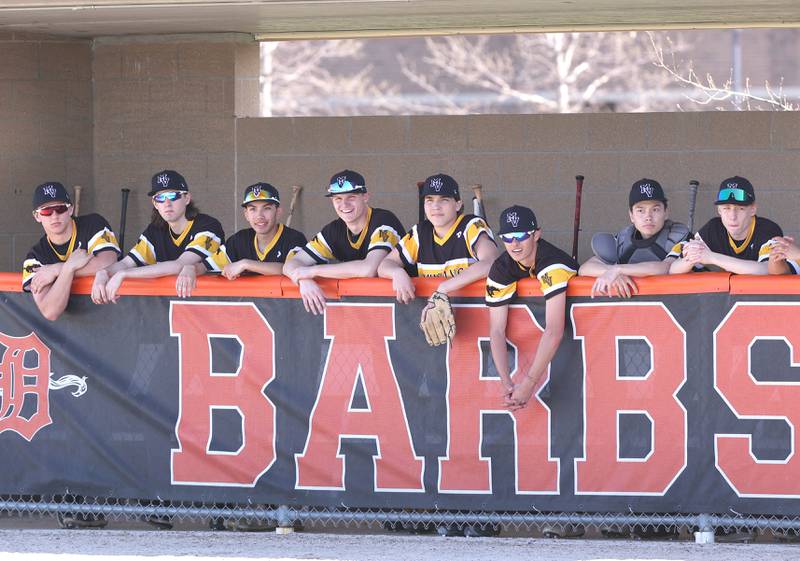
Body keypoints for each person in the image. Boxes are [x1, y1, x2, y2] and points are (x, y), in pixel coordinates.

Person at [485, 205, 577, 409]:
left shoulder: (552, 261)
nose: (514, 243)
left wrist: (527, 384)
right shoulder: (501, 266)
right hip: (546, 353)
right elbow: (497, 330)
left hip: (577, 345)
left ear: (536, 235)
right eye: (507, 237)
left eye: (520, 235)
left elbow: (554, 331)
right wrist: (506, 382)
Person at [92, 170, 227, 304]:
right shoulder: (155, 231)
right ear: (155, 204)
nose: (167, 203)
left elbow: (180, 265)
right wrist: (103, 273)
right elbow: (126, 263)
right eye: (160, 198)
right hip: (170, 306)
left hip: (211, 304)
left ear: (186, 198)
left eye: (173, 196)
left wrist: (124, 274)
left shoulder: (208, 226)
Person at [283, 169, 405, 314]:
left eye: (351, 197)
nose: (344, 205)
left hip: (401, 306)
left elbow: (369, 269)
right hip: (363, 309)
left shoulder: (383, 220)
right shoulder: (334, 230)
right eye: (338, 199)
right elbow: (290, 264)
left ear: (365, 196)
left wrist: (311, 271)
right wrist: (303, 280)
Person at [377, 172, 498, 311]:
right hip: (433, 317)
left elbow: (491, 262)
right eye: (429, 200)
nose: (436, 206)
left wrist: (444, 288)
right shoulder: (420, 233)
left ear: (458, 204)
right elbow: (384, 265)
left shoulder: (471, 226)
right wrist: (397, 273)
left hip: (476, 313)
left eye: (444, 199)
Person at [23, 181, 120, 321]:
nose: (54, 216)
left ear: (70, 209)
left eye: (60, 208)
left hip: (115, 314)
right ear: (37, 216)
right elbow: (50, 311)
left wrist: (57, 269)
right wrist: (69, 268)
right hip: (73, 332)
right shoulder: (35, 257)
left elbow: (108, 261)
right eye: (46, 211)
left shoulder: (93, 223)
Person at [579, 179, 688, 297]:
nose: (648, 217)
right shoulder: (623, 239)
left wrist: (617, 270)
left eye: (655, 209)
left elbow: (666, 268)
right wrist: (609, 272)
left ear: (666, 212)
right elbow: (585, 268)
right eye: (640, 210)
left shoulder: (678, 235)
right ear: (631, 215)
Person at [669, 176, 792, 274]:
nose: (732, 216)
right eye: (726, 208)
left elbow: (766, 270)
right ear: (719, 210)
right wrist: (690, 259)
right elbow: (673, 270)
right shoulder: (712, 229)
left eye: (740, 209)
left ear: (753, 209)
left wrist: (712, 258)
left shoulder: (768, 229)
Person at [220, 182, 307, 280]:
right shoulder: (239, 239)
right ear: (246, 214)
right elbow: (206, 266)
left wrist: (245, 264)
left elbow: (293, 269)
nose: (259, 216)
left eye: (267, 208)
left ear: (278, 212)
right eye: (253, 209)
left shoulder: (294, 238)